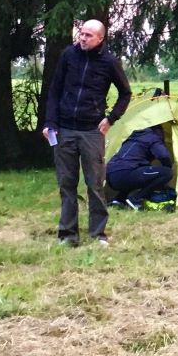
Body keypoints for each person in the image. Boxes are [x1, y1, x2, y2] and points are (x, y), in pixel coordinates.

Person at [40, 18, 132, 246]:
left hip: (92, 131)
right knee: (67, 184)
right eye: (81, 33)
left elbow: (125, 93)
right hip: (64, 130)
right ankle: (68, 235)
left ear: (100, 38)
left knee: (95, 184)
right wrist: (50, 122)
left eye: (88, 35)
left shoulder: (109, 62)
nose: (82, 38)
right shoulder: (68, 55)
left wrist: (111, 119)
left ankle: (98, 234)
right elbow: (55, 90)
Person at [106, 124, 174, 209]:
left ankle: (119, 199)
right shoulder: (152, 137)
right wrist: (168, 167)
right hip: (125, 173)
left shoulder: (131, 136)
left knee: (136, 172)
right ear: (158, 131)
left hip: (110, 176)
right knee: (167, 173)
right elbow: (164, 156)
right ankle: (136, 199)